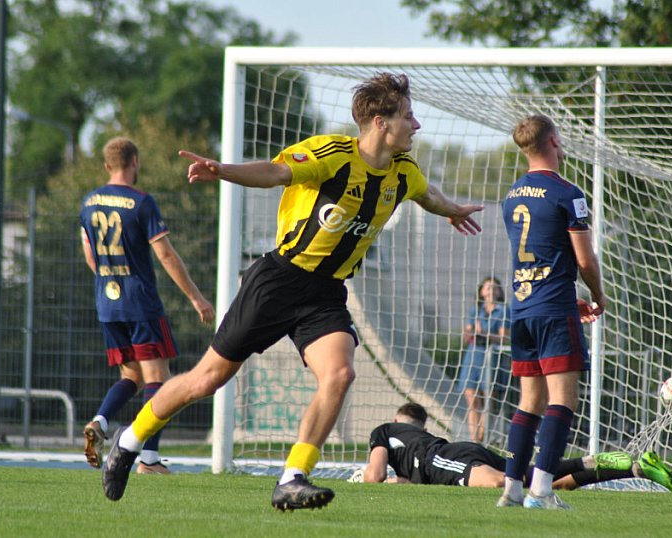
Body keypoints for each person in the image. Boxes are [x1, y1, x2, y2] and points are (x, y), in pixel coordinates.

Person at [100, 73, 484, 509]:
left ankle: (292, 477)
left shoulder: (403, 173)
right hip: (278, 280)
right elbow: (275, 172)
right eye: (408, 116)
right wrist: (223, 170)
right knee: (205, 380)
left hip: (326, 293)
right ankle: (128, 443)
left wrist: (452, 210)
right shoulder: (333, 154)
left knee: (340, 374)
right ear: (380, 121)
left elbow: (426, 195)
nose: (416, 125)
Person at [79, 137, 215, 474]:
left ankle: (100, 420)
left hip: (107, 303)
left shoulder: (89, 202)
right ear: (134, 161)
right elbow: (166, 254)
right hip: (139, 302)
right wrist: (196, 297)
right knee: (159, 378)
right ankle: (149, 459)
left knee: (132, 375)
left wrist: (111, 278)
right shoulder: (140, 202)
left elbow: (90, 257)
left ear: (107, 164)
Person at [498, 114, 608, 510]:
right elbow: (584, 257)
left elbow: (536, 255)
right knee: (563, 400)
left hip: (522, 311)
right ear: (555, 142)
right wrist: (597, 293)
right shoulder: (568, 193)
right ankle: (542, 491)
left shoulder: (511, 195)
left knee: (529, 401)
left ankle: (511, 490)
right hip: (554, 310)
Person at [360, 403, 672, 495]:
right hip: (461, 451)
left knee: (504, 483)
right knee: (543, 482)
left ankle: (588, 459)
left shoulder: (382, 431)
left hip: (445, 460)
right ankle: (634, 467)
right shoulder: (417, 437)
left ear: (395, 420)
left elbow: (374, 476)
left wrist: (367, 477)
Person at [456, 276, 510, 442]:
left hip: (491, 359)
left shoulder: (504, 310)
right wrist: (469, 332)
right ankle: (475, 440)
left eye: (495, 287)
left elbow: (505, 338)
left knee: (489, 401)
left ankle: (482, 437)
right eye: (488, 287)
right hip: (473, 357)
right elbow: (466, 337)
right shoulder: (476, 310)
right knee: (473, 402)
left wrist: (485, 334)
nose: (491, 290)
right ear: (481, 291)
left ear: (500, 291)